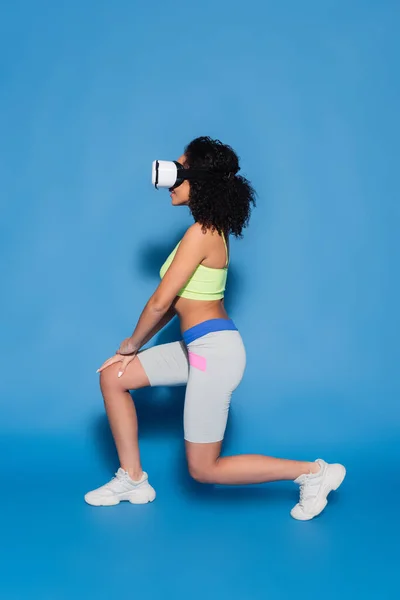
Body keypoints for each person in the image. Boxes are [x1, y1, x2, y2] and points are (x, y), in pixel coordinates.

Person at [85, 136, 346, 521]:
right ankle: (134, 480)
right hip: (198, 350)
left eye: (178, 171)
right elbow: (178, 304)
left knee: (203, 469)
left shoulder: (202, 234)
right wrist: (134, 354)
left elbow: (159, 300)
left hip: (213, 356)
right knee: (113, 377)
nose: (170, 181)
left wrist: (131, 344)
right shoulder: (204, 231)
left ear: (199, 181)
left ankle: (314, 473)